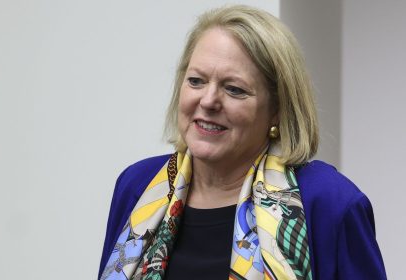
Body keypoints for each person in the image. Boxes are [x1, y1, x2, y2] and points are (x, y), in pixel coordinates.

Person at [98, 5, 386, 280]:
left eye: (234, 89)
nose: (208, 101)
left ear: (277, 108)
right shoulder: (137, 185)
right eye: (196, 81)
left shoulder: (329, 202)